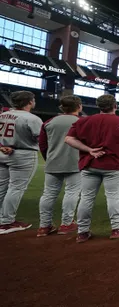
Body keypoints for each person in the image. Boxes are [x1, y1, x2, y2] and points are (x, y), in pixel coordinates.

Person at [65, 94, 119, 242]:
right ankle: (116, 228)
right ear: (115, 106)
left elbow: (69, 139)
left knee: (86, 198)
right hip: (113, 164)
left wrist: (89, 149)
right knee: (113, 197)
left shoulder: (85, 120)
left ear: (98, 106)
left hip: (90, 163)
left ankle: (82, 231)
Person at [37, 95, 83, 237]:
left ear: (62, 107)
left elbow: (43, 145)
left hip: (53, 162)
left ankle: (44, 226)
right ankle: (66, 223)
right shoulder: (82, 122)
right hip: (75, 162)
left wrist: (48, 159)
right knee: (72, 193)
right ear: (79, 106)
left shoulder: (49, 122)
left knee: (48, 194)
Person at [0, 91, 42, 234]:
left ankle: (3, 219)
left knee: (1, 187)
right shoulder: (32, 118)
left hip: (2, 151)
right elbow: (41, 139)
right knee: (16, 188)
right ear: (30, 102)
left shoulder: (2, 115)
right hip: (23, 154)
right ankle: (7, 222)